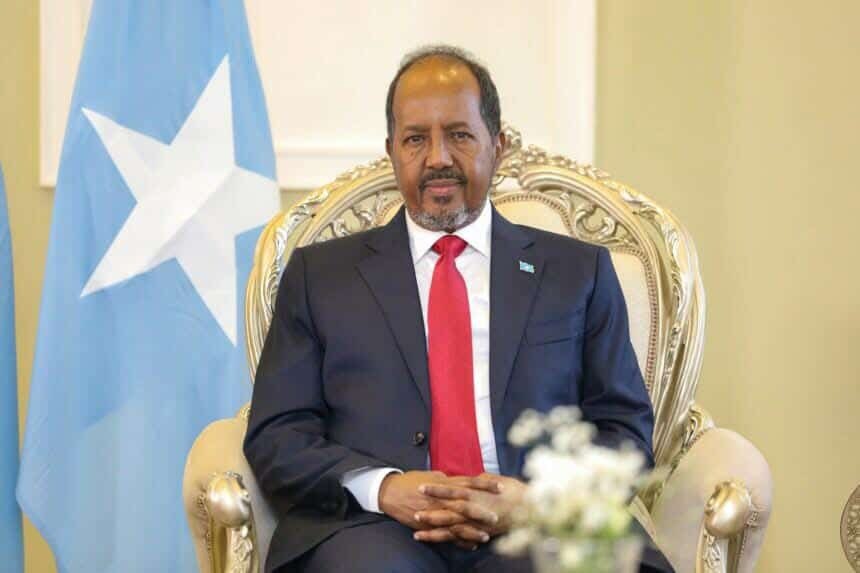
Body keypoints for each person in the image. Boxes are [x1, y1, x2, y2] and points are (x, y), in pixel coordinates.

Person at [244, 45, 672, 573]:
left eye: (459, 135)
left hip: (537, 526)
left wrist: (536, 501)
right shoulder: (321, 277)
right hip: (373, 529)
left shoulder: (577, 272)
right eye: (415, 139)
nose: (437, 158)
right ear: (391, 151)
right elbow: (278, 435)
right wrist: (384, 488)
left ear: (499, 145)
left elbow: (624, 432)